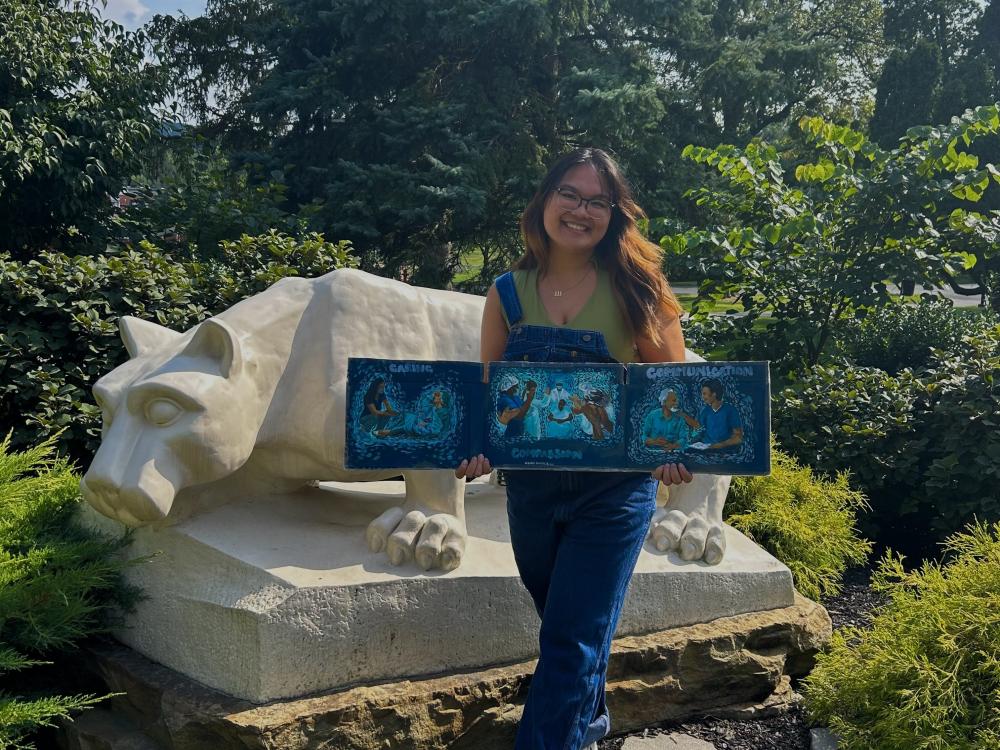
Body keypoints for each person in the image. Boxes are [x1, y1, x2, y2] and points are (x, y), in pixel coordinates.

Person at [455, 147, 692, 750]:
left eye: (598, 201)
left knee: (571, 642)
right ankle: (585, 731)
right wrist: (479, 449)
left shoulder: (642, 291)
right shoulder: (507, 293)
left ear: (616, 214)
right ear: (545, 202)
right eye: (570, 194)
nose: (582, 210)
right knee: (568, 633)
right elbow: (489, 394)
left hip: (613, 495)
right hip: (530, 493)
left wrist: (671, 451)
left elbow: (674, 395)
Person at [685, 378, 743, 450]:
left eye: (705, 394)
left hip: (724, 451)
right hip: (705, 450)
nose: (702, 397)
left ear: (714, 394)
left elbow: (738, 438)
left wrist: (720, 445)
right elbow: (699, 430)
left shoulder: (730, 410)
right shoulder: (705, 411)